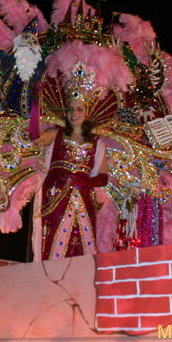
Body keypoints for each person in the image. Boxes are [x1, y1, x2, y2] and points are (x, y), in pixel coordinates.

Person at [29, 65, 109, 260]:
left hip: (83, 199)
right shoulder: (57, 134)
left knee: (83, 245)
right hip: (55, 196)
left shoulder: (96, 143)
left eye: (79, 109)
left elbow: (103, 178)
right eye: (70, 109)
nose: (74, 113)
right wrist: (35, 104)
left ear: (87, 112)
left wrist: (82, 183)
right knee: (53, 240)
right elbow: (34, 138)